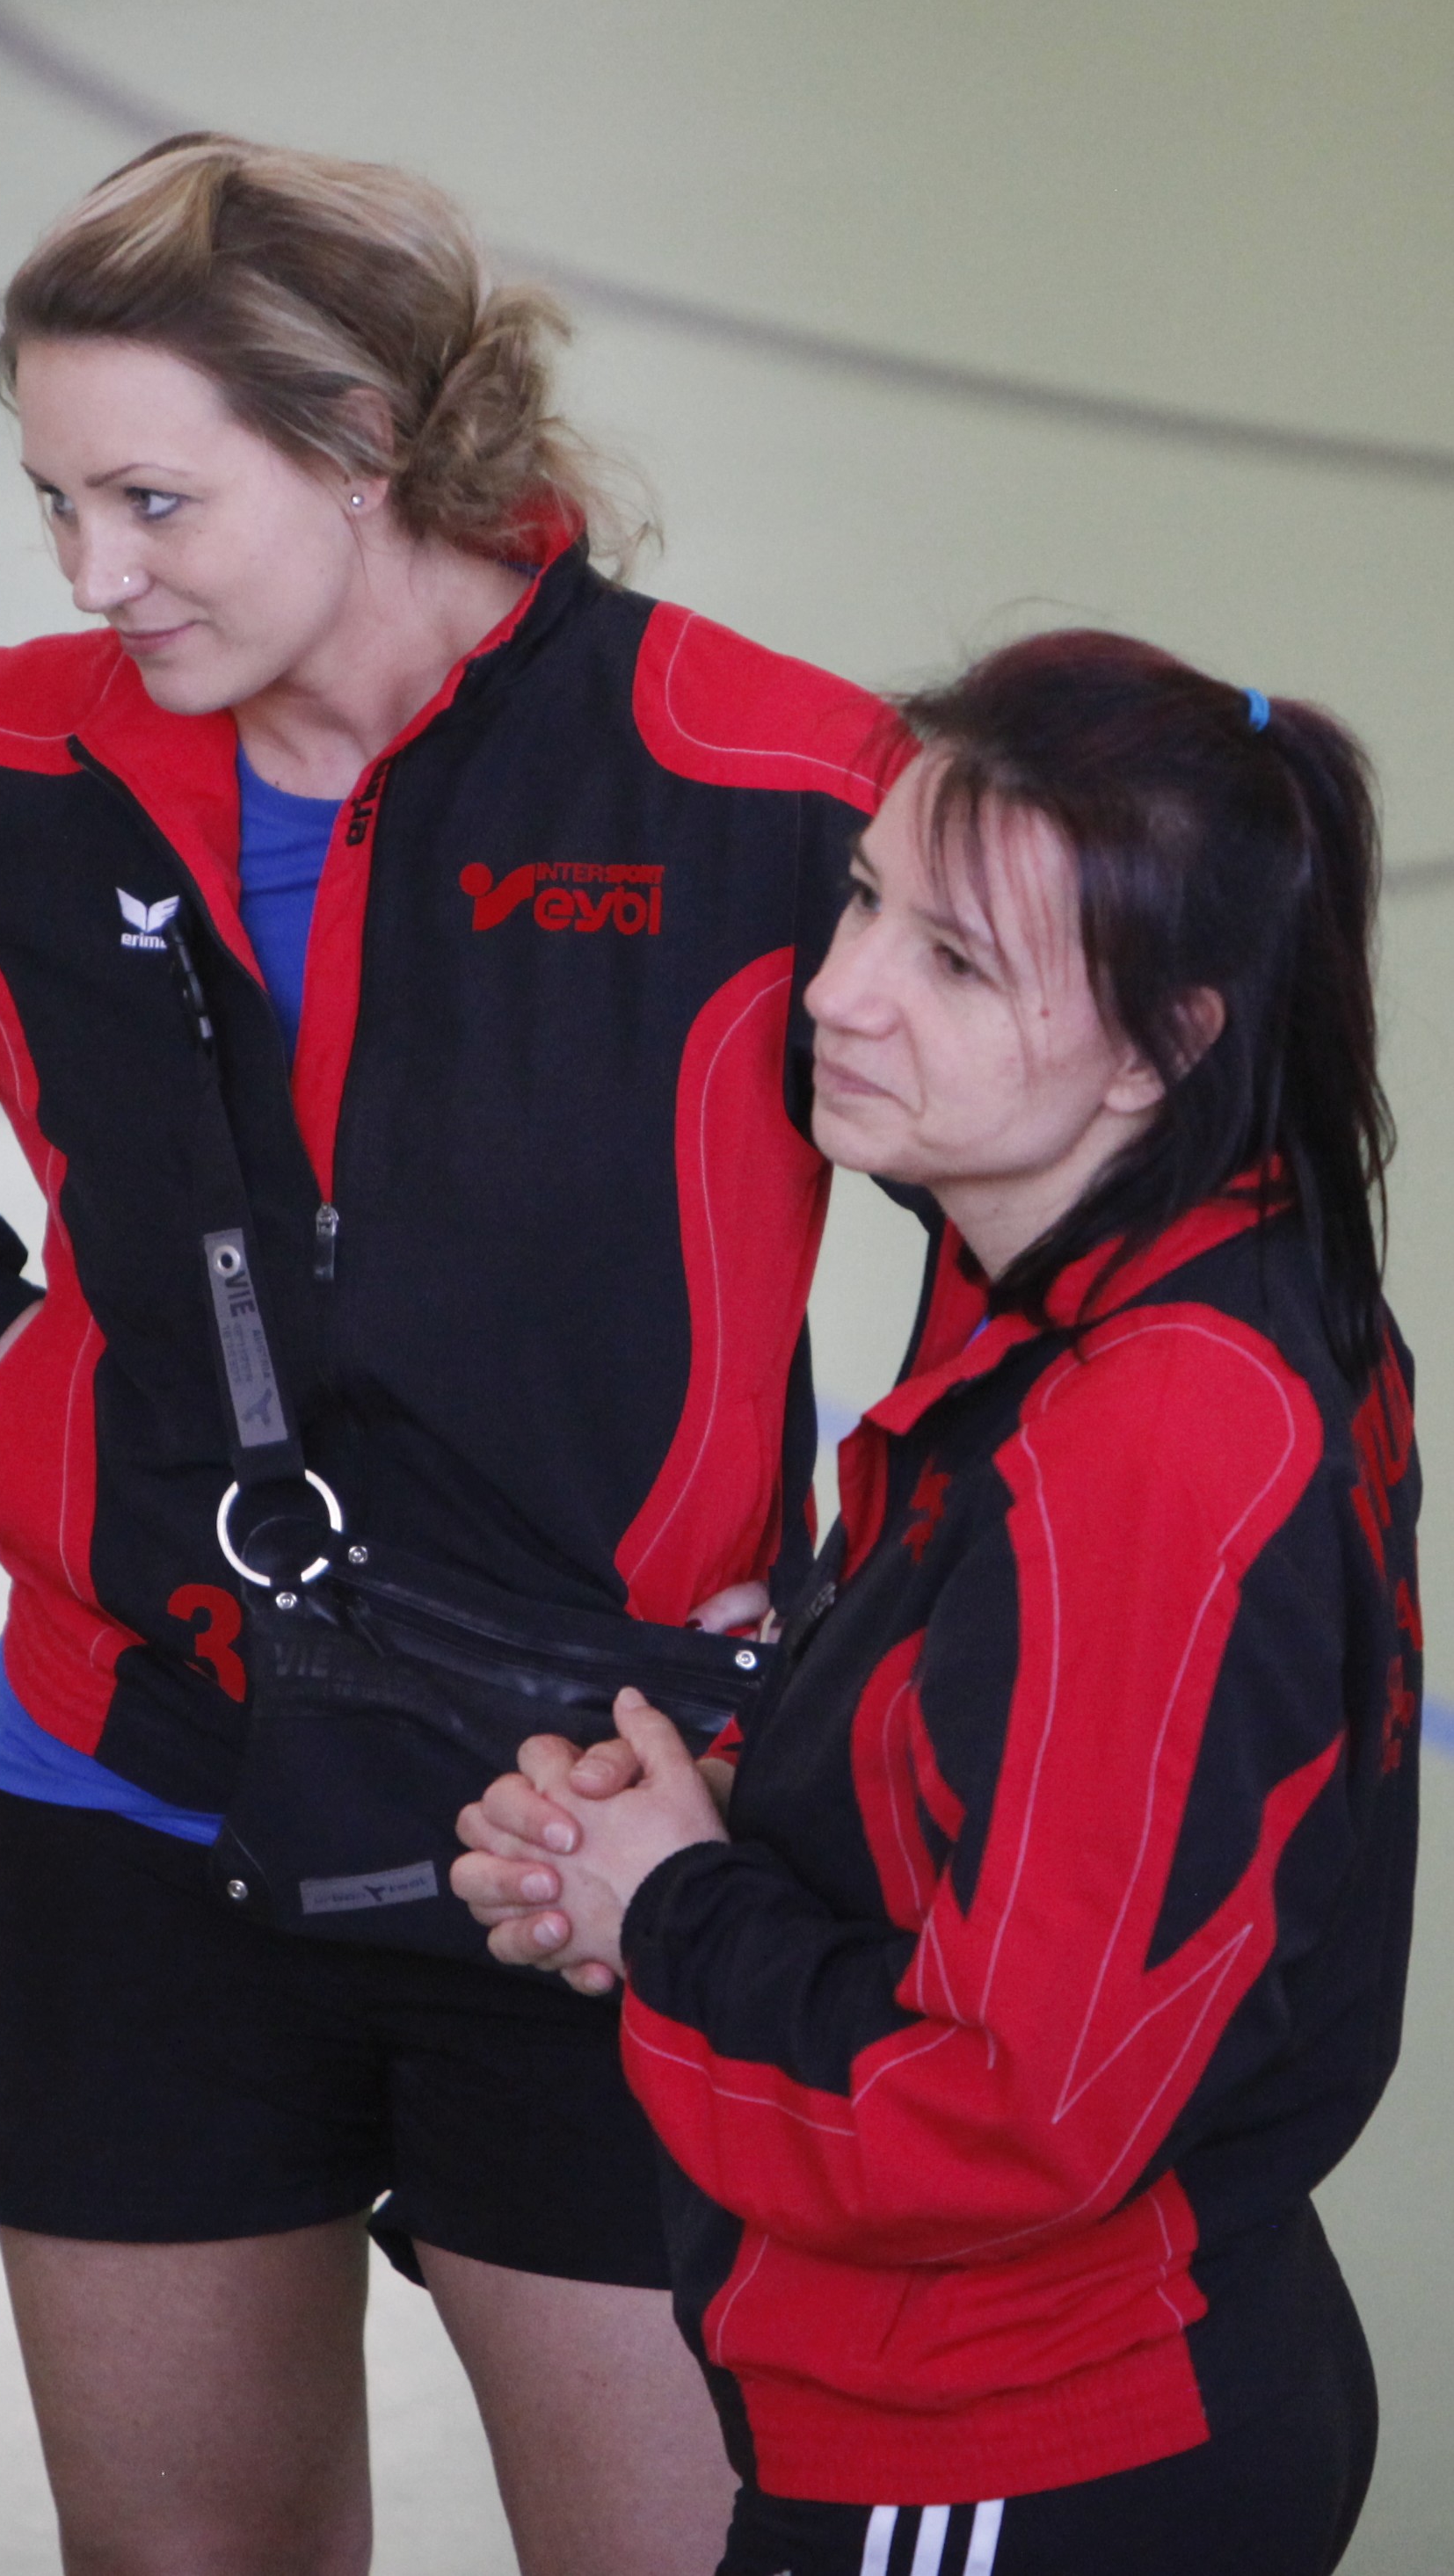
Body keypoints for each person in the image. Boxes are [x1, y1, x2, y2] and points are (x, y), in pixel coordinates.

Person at [0, 133, 898, 2576]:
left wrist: (875, 1621)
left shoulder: (759, 782)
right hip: (123, 1813)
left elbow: (1070, 1195)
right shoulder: (14, 766)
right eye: (56, 499)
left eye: (155, 500)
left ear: (366, 445)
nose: (93, 572)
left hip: (594, 1845)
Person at [454, 630, 1419, 2576]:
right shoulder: (1124, 1247)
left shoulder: (1148, 1433)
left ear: (1158, 1046)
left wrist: (672, 1908)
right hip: (1109, 2378)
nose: (839, 988)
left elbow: (1008, 2110)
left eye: (956, 962)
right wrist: (709, 1808)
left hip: (1016, 2448)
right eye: (864, 897)